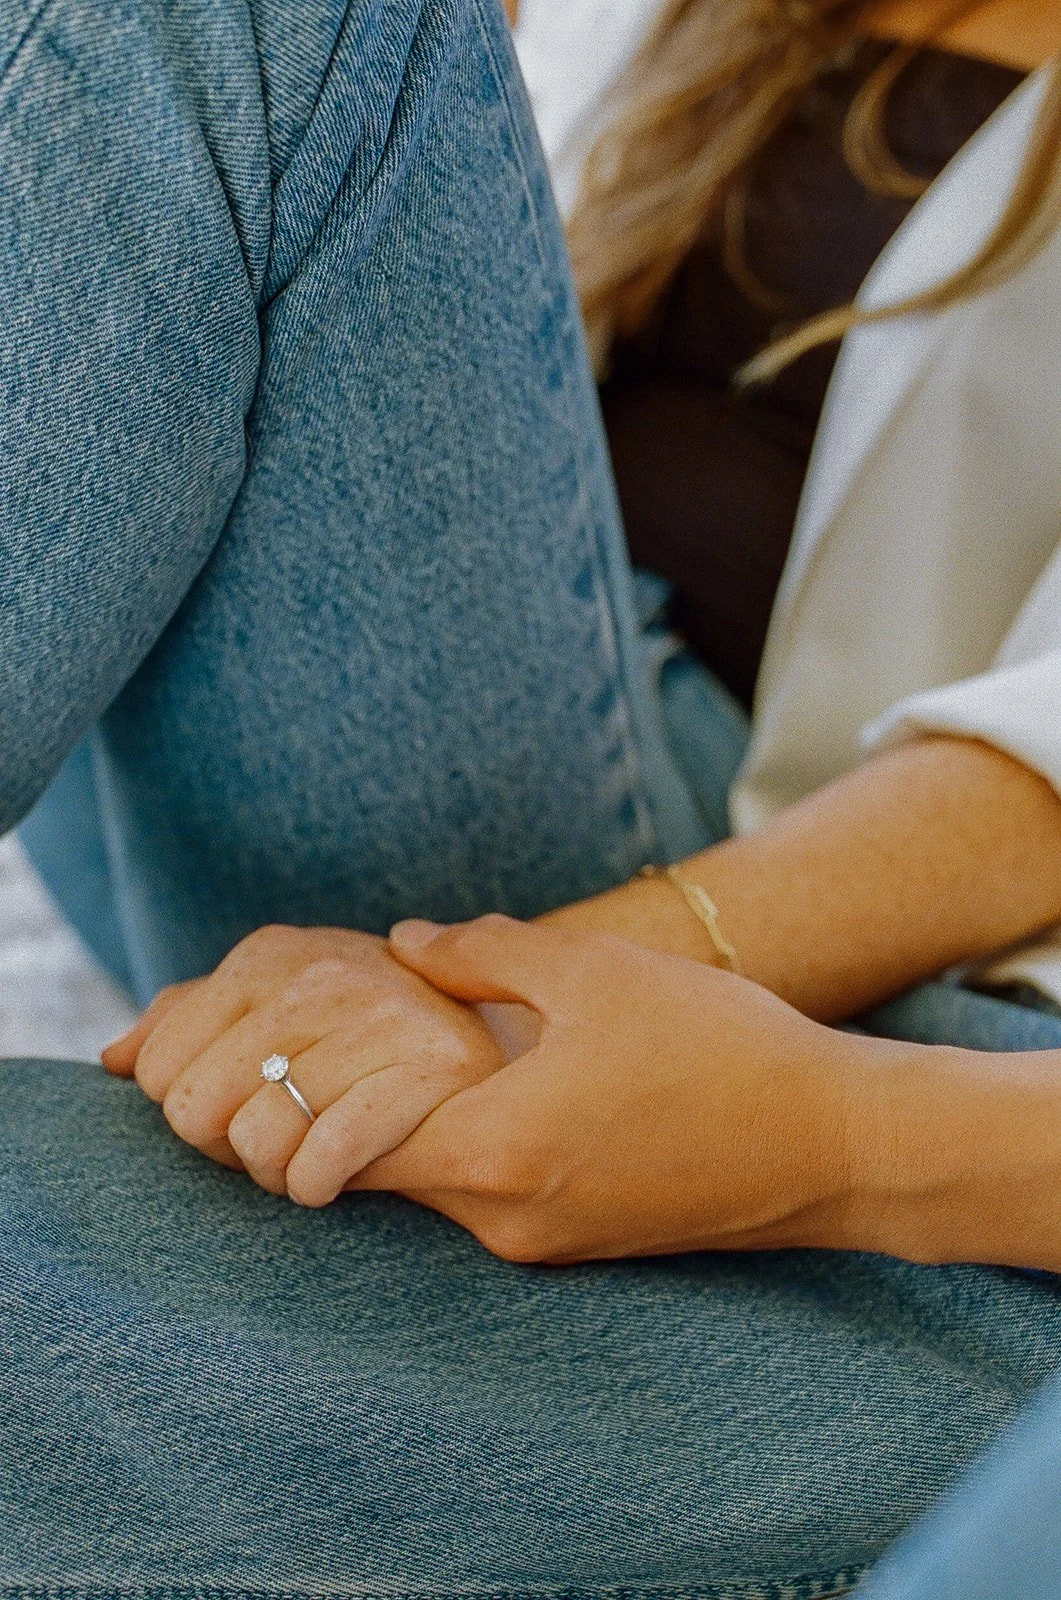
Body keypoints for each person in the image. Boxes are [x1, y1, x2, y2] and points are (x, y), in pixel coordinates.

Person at [3, 0, 1061, 1594]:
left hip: (790, 905)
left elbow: (1029, 789)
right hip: (516, 758)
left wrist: (575, 990)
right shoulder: (722, 35)